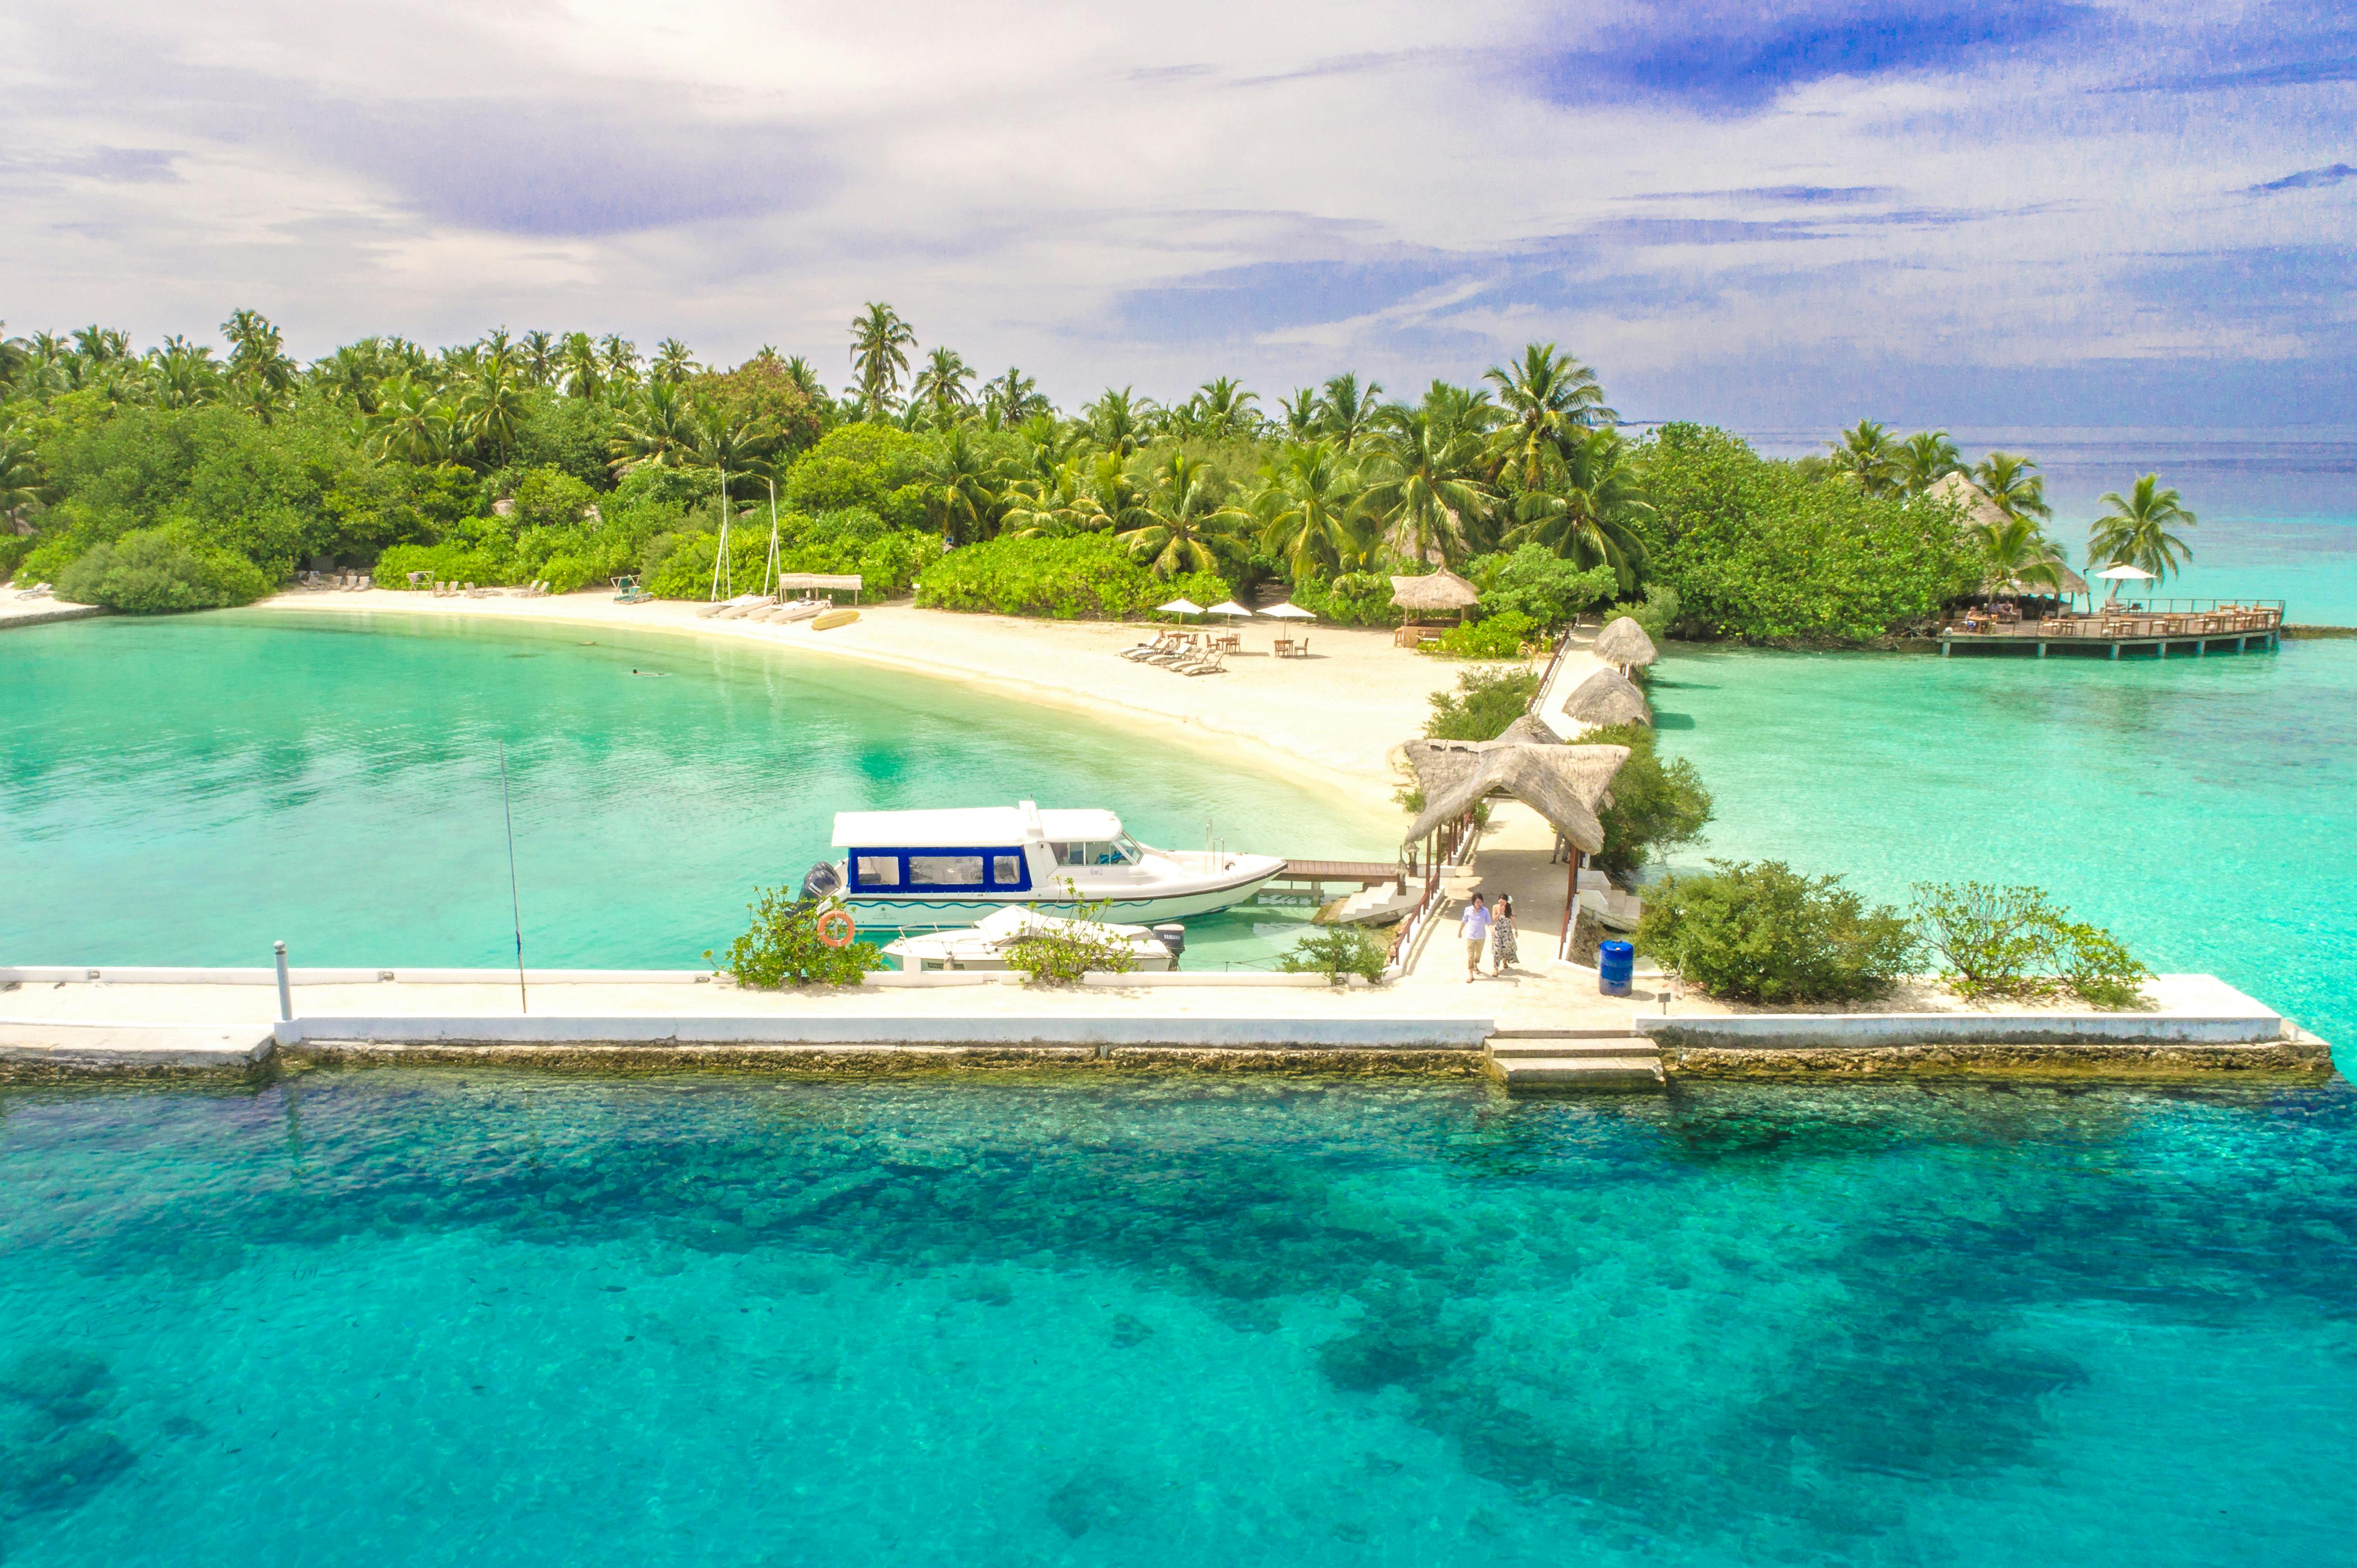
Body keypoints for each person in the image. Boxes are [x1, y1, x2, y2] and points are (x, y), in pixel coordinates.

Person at [1459, 893, 1490, 982]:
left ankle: (1476, 964)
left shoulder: (1485, 911)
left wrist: (1492, 930)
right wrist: (1460, 931)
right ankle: (1471, 974)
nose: (1479, 904)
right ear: (1473, 902)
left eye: (1481, 902)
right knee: (1471, 956)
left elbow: (1488, 922)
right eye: (1477, 902)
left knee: (1478, 954)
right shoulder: (1468, 910)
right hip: (1471, 936)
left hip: (1481, 936)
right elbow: (1464, 921)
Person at [1490, 893, 1519, 972]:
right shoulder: (1495, 907)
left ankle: (1505, 961)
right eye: (1500, 902)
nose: (1502, 904)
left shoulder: (1509, 908)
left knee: (1506, 948)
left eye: (1503, 903)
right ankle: (1496, 968)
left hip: (1507, 932)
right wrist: (1500, 912)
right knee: (1497, 950)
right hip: (1498, 931)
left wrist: (1516, 930)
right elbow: (1494, 919)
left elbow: (1513, 919)